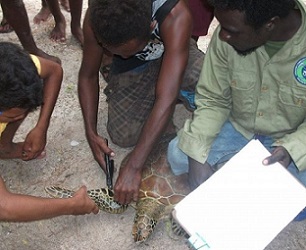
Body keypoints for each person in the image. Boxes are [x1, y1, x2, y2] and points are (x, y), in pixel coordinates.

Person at [167, 0, 306, 220]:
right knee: (179, 154)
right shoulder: (228, 35)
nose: (222, 36)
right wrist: (197, 155)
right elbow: (213, 98)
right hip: (238, 128)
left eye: (231, 31)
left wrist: (292, 149)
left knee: (299, 203)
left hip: (288, 137)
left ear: (270, 24)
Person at [78, 0, 205, 205]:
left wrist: (134, 167)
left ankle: (173, 85)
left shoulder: (174, 14)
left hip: (172, 48)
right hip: (137, 67)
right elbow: (87, 76)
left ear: (151, 25)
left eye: (127, 51)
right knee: (123, 135)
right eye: (113, 51)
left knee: (218, 91)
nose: (123, 56)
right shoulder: (97, 19)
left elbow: (166, 97)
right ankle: (159, 93)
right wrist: (91, 133)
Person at [0, 42, 99, 221]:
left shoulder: (11, 67)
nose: (18, 119)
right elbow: (5, 207)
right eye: (10, 118)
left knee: (21, 103)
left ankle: (3, 146)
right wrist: (72, 205)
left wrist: (41, 126)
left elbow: (54, 71)